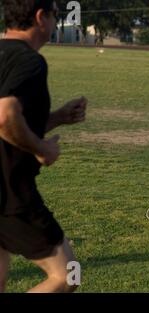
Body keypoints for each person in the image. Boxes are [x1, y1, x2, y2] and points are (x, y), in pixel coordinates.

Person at [0, 0, 88, 293]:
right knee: (67, 274)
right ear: (41, 17)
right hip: (10, 193)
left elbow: (11, 122)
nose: (55, 21)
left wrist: (58, 118)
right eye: (54, 15)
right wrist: (41, 148)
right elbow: (4, 116)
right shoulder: (29, 61)